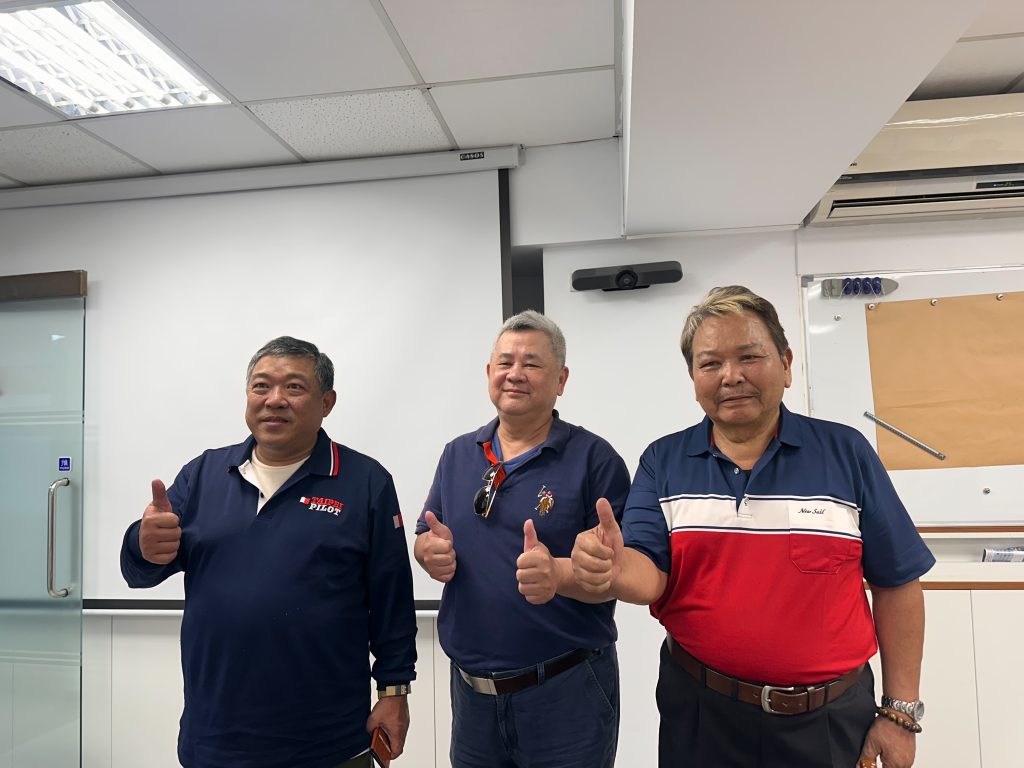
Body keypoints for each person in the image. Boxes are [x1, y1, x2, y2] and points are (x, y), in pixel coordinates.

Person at [571, 286, 934, 768]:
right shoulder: (663, 460)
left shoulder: (846, 454)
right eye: (710, 363)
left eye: (749, 356)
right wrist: (614, 568)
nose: (731, 376)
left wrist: (900, 713)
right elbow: (649, 574)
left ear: (786, 364)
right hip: (700, 714)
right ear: (693, 377)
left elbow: (898, 584)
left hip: (828, 722)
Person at [120, 336, 416, 768]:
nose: (274, 399)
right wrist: (142, 544)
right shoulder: (203, 474)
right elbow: (140, 571)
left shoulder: (366, 481)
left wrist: (394, 692)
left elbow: (393, 601)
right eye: (261, 386)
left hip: (328, 741)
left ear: (327, 403)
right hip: (216, 737)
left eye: (294, 387)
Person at [414, 310, 631, 768]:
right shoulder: (458, 454)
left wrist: (560, 574)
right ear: (489, 373)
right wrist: (428, 553)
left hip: (565, 692)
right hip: (472, 697)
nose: (515, 373)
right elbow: (425, 534)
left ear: (561, 380)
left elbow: (619, 572)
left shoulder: (595, 460)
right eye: (505, 362)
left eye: (532, 363)